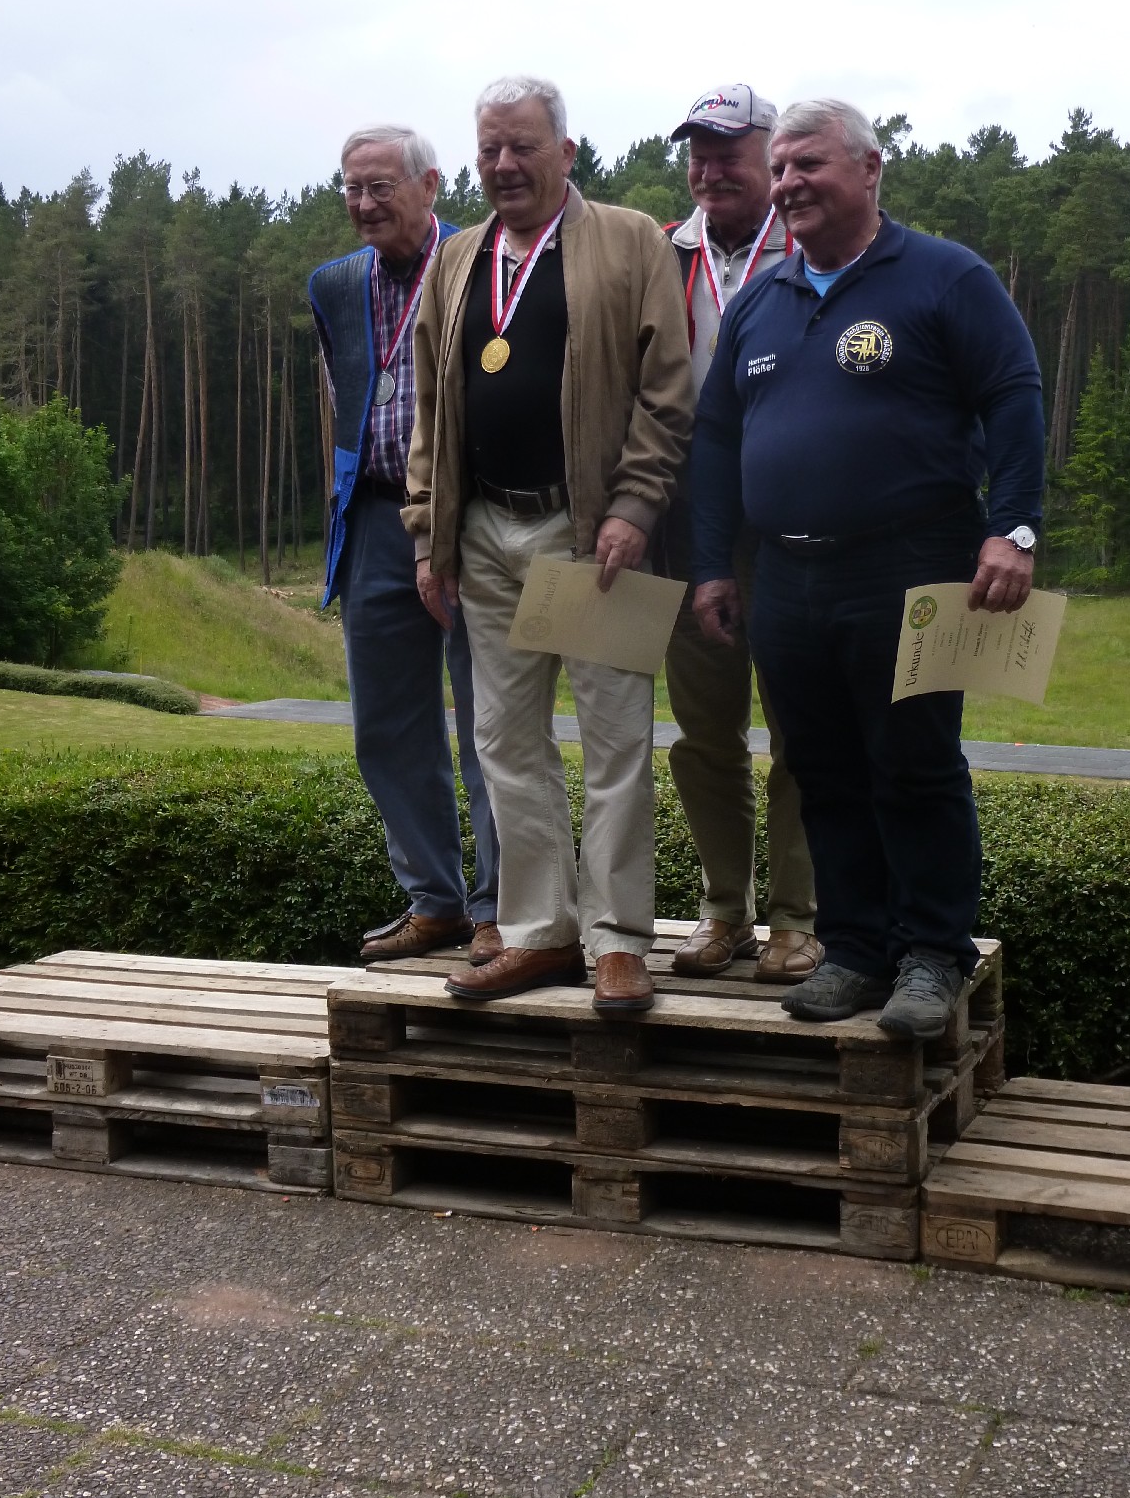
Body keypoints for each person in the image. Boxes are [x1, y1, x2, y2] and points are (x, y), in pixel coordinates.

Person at [689, 99, 1044, 1037]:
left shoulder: (944, 276)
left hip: (914, 564)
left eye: (809, 164)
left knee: (914, 764)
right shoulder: (762, 300)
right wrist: (712, 565)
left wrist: (1013, 529)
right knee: (822, 767)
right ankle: (852, 948)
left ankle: (933, 953)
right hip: (786, 576)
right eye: (781, 168)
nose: (789, 183)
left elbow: (1013, 394)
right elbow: (716, 439)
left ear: (871, 167)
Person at [405, 76, 694, 1014]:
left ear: (566, 152)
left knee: (616, 741)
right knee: (503, 740)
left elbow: (667, 391)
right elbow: (431, 407)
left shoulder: (631, 239)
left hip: (590, 535)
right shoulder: (457, 258)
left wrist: (634, 505)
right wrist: (430, 532)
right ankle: (538, 933)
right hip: (485, 534)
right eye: (490, 148)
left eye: (523, 146)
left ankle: (618, 940)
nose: (504, 165)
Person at [307, 125, 499, 966]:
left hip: (474, 519)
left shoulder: (483, 263)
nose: (364, 203)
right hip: (377, 520)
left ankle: (502, 908)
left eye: (381, 186)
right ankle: (435, 903)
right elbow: (347, 392)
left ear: (430, 184)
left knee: (492, 723)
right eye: (351, 188)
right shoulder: (333, 284)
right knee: (386, 726)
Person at [659, 84, 819, 984]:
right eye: (699, 155)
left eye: (729, 154)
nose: (711, 171)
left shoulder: (814, 250)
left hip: (796, 529)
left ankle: (798, 918)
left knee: (803, 733)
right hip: (691, 534)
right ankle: (724, 910)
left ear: (771, 159)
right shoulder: (659, 254)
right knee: (704, 736)